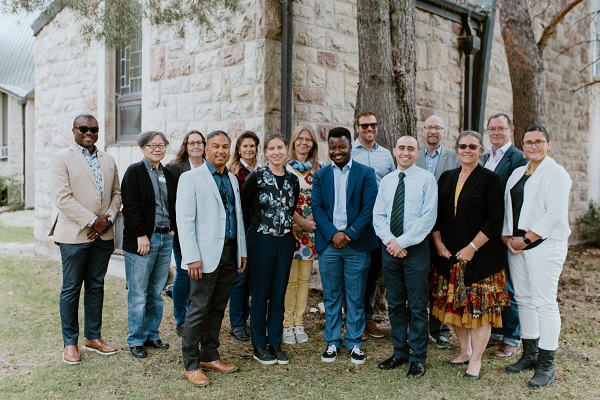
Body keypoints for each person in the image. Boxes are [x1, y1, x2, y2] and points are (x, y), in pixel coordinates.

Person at [431, 131, 508, 381]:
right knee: (454, 304)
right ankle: (464, 351)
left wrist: (472, 248)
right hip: (449, 254)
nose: (467, 150)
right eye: (462, 146)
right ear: (456, 149)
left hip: (481, 256)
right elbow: (436, 213)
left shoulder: (490, 179)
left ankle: (476, 360)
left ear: (480, 150)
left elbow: (495, 219)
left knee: (479, 309)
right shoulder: (446, 177)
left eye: (472, 146)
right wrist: (438, 241)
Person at [502, 125, 571, 388]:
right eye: (528, 142)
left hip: (544, 244)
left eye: (538, 141)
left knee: (544, 301)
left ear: (547, 144)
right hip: (516, 245)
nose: (533, 146)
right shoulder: (518, 173)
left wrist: (527, 238)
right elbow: (511, 208)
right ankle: (529, 354)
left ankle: (546, 363)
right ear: (523, 145)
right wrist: (508, 237)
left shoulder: (557, 173)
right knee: (524, 299)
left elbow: (554, 213)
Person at [176, 130, 247, 387]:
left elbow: (236, 217)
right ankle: (191, 364)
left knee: (218, 308)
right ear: (205, 149)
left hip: (229, 252)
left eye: (225, 146)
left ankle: (210, 355)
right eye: (215, 146)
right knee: (198, 309)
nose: (221, 151)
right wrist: (192, 257)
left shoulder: (232, 178)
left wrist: (242, 251)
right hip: (203, 257)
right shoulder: (191, 178)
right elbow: (185, 221)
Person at [50, 113, 121, 364]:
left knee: (96, 286)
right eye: (83, 128)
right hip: (74, 235)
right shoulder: (62, 158)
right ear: (74, 130)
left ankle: (93, 337)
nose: (89, 132)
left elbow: (116, 194)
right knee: (71, 289)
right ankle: (70, 343)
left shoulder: (108, 159)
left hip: (104, 235)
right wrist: (93, 220)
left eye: (94, 129)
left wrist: (108, 219)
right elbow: (62, 198)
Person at [312, 127, 379, 365]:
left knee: (355, 296)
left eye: (342, 147)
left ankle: (354, 342)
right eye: (333, 148)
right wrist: (333, 235)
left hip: (357, 244)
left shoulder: (366, 174)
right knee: (331, 296)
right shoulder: (320, 176)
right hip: (329, 245)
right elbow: (317, 209)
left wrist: (349, 234)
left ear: (350, 146)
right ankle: (332, 341)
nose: (337, 152)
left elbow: (369, 208)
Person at [373, 135, 437, 378]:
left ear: (417, 153)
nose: (406, 152)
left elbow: (427, 218)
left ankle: (418, 356)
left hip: (416, 249)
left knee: (418, 305)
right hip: (390, 249)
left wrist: (402, 242)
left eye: (411, 149)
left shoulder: (426, 179)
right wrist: (391, 242)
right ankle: (400, 351)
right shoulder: (388, 181)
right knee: (396, 303)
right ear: (394, 151)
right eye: (402, 148)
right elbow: (378, 216)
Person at [241, 133, 300, 365]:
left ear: (286, 150)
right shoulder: (256, 177)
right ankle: (258, 345)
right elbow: (245, 209)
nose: (276, 152)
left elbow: (291, 207)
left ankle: (275, 342)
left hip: (284, 241)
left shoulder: (293, 180)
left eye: (280, 147)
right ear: (265, 152)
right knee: (260, 293)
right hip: (260, 240)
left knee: (278, 293)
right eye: (271, 148)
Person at [121, 131, 177, 359]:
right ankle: (135, 339)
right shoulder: (134, 172)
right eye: (152, 145)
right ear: (142, 147)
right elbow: (130, 207)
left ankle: (152, 334)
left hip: (165, 239)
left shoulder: (169, 174)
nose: (157, 148)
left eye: (161, 145)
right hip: (144, 240)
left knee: (156, 291)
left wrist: (172, 229)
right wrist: (141, 235)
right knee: (138, 293)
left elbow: (173, 204)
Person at [482, 113, 528, 358]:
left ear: (510, 130)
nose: (496, 132)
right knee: (493, 285)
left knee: (509, 286)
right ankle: (497, 332)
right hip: (486, 232)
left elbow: (517, 197)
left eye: (501, 128)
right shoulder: (484, 157)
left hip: (505, 231)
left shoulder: (519, 158)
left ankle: (512, 336)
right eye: (492, 129)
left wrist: (511, 232)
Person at [415, 115, 459, 350]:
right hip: (417, 229)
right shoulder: (413, 154)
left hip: (444, 228)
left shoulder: (454, 157)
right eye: (429, 127)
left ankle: (440, 330)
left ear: (444, 131)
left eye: (437, 127)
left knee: (442, 280)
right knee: (419, 279)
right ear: (423, 131)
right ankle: (418, 327)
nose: (433, 131)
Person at [351, 110, 395, 339]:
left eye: (373, 125)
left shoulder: (387, 155)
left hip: (381, 222)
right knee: (356, 269)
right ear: (357, 127)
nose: (369, 129)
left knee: (375, 270)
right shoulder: (349, 152)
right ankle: (351, 317)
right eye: (364, 125)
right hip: (357, 221)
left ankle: (367, 317)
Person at [164, 130, 206, 337]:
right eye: (192, 143)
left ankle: (197, 316)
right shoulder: (174, 168)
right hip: (182, 230)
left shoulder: (210, 167)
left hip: (206, 231)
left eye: (199, 143)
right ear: (186, 146)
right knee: (183, 273)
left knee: (201, 275)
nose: (196, 146)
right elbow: (169, 201)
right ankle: (181, 319)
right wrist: (173, 227)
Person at [282, 126, 321, 345]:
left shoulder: (319, 168)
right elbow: (285, 200)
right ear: (294, 142)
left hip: (310, 231)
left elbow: (321, 198)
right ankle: (287, 324)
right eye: (300, 139)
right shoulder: (285, 168)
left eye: (308, 140)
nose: (304, 143)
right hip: (291, 229)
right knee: (290, 280)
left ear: (313, 144)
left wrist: (310, 222)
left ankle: (299, 322)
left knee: (304, 279)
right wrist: (299, 222)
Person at [227, 130, 260, 342]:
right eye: (245, 146)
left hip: (256, 231)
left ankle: (245, 320)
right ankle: (236, 323)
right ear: (238, 149)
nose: (248, 149)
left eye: (252, 146)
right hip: (240, 231)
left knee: (250, 281)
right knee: (239, 279)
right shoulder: (234, 172)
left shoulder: (260, 171)